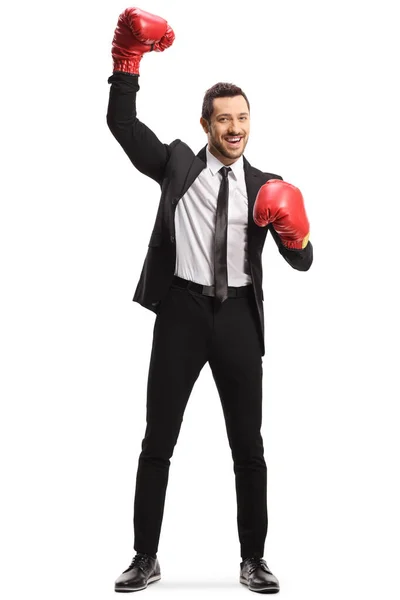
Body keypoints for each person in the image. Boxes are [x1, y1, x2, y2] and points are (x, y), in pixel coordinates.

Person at [107, 6, 313, 594]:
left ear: (251, 123)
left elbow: (302, 261)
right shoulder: (175, 165)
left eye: (242, 118)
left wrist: (298, 233)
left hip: (240, 320)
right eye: (224, 119)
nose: (234, 128)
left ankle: (253, 560)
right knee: (158, 440)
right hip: (182, 313)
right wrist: (127, 65)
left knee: (249, 446)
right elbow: (123, 125)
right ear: (205, 125)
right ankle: (145, 557)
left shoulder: (266, 186)